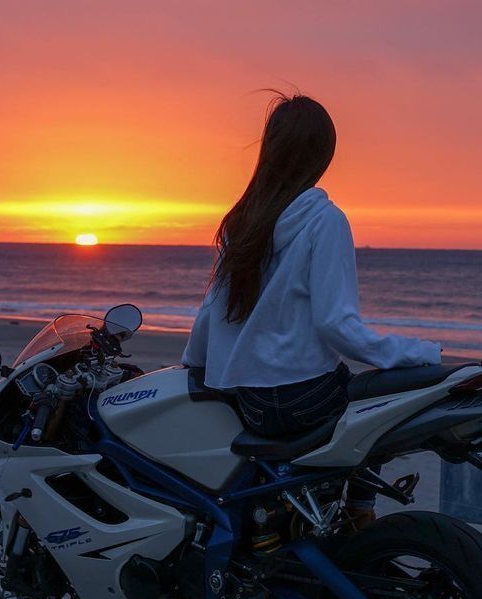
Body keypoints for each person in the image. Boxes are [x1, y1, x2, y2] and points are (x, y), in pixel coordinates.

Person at [182, 93, 441, 526]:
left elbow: (213, 311)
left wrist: (191, 367)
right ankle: (360, 510)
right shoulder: (326, 220)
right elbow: (336, 325)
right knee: (382, 392)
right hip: (304, 401)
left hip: (253, 404)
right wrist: (418, 354)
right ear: (324, 155)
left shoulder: (244, 220)